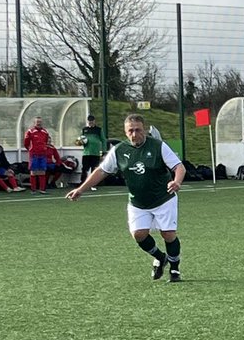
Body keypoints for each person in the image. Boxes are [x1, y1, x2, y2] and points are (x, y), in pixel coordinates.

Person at [66, 114, 187, 282]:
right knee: (139, 234)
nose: (134, 134)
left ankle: (175, 269)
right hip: (138, 201)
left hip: (163, 198)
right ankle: (160, 257)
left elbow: (179, 167)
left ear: (144, 130)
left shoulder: (159, 146)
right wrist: (81, 189)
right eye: (130, 131)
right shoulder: (119, 150)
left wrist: (177, 182)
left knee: (168, 234)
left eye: (138, 130)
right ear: (125, 132)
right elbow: (101, 171)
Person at [22, 115, 50, 194]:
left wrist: (44, 149)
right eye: (37, 122)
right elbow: (26, 143)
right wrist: (31, 149)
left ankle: (42, 189)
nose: (39, 123)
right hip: (34, 154)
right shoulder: (30, 131)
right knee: (33, 171)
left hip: (43, 154)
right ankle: (33, 189)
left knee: (42, 171)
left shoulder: (45, 132)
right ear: (34, 123)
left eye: (40, 122)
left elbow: (46, 141)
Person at [79, 114, 105, 190]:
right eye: (89, 121)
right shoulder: (84, 129)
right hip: (86, 152)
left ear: (94, 121)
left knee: (94, 169)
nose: (90, 122)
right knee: (84, 168)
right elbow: (80, 140)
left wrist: (103, 151)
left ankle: (93, 184)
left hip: (95, 152)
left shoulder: (98, 129)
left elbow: (103, 140)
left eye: (92, 121)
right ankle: (82, 183)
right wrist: (80, 142)